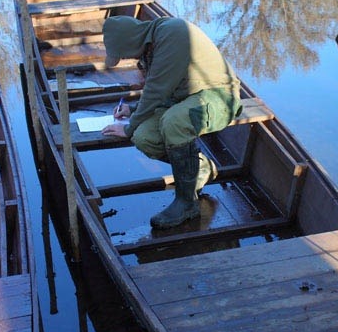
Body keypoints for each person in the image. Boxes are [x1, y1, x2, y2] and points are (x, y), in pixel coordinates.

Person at [101, 14, 242, 229]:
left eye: (123, 54)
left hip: (219, 97)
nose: (126, 59)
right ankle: (202, 167)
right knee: (144, 137)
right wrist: (133, 111)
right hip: (184, 100)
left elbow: (157, 90)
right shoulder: (150, 45)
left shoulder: (172, 33)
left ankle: (187, 203)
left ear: (131, 44)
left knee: (174, 122)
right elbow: (160, 90)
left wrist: (128, 128)